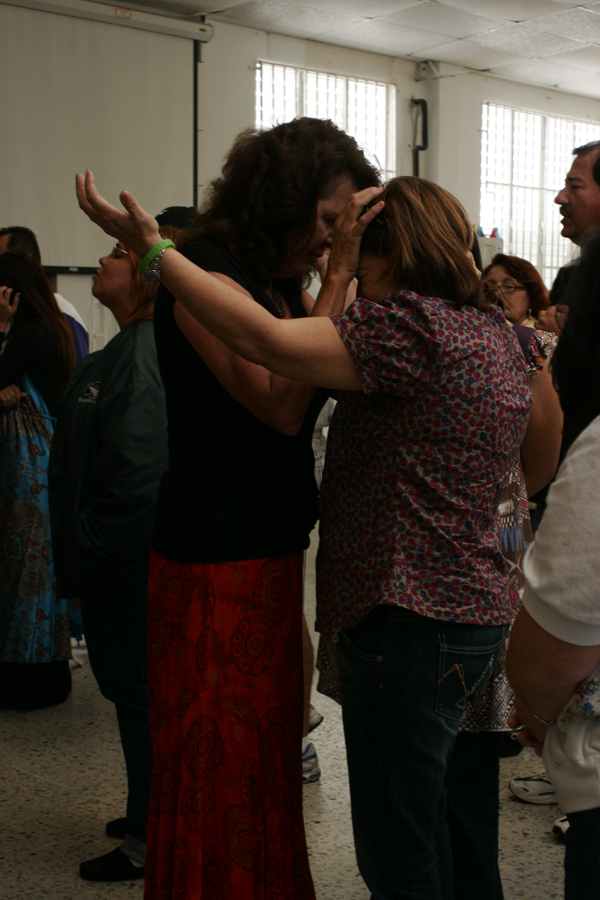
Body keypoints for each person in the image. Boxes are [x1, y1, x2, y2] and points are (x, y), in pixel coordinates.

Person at [76, 169, 531, 900]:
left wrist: (159, 254)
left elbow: (266, 344)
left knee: (401, 848)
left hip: (410, 622)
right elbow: (537, 450)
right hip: (478, 617)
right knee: (461, 823)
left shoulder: (407, 328)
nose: (326, 258)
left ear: (385, 248)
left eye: (344, 245)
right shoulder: (497, 334)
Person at [78, 119, 380, 899]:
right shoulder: (209, 274)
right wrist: (340, 278)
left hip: (268, 554)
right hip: (215, 565)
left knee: (263, 765)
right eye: (327, 219)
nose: (332, 239)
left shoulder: (278, 281)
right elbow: (280, 403)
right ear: (283, 200)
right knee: (221, 772)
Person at [48, 229, 174, 882]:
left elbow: (138, 478)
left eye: (119, 254)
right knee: (131, 698)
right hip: (108, 567)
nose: (101, 259)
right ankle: (142, 813)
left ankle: (147, 842)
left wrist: (92, 553)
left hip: (123, 571)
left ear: (150, 277)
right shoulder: (124, 348)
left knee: (138, 699)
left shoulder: (145, 352)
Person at [506, 231, 600, 900]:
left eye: (507, 287)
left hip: (519, 510)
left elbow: (547, 657)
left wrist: (539, 709)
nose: (496, 297)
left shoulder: (532, 357)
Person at [0, 252, 76, 709]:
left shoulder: (29, 333)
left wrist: (0, 328)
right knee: (38, 570)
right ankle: (45, 671)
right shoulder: (52, 327)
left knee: (27, 572)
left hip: (29, 470)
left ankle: (25, 678)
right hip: (42, 465)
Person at [0, 226, 90, 360]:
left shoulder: (61, 310)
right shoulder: (4, 310)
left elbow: (79, 369)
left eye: (3, 259)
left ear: (25, 261)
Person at [483, 253, 550, 328]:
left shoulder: (537, 333)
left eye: (508, 286)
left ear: (531, 296)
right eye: (490, 287)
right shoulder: (478, 327)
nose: (497, 292)